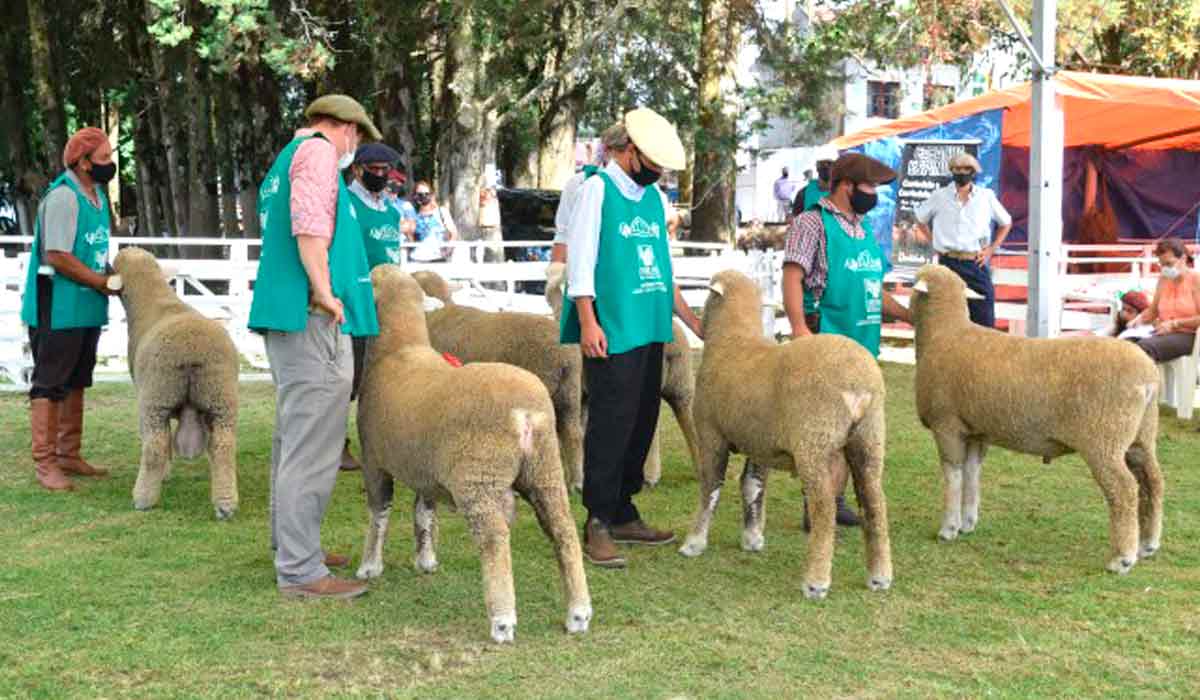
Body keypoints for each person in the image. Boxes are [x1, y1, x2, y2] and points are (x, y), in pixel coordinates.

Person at [248, 94, 381, 600]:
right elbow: (310, 228)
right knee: (313, 443)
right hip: (311, 317)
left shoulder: (287, 158)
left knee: (293, 437)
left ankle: (293, 546)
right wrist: (325, 292)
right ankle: (302, 571)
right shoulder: (322, 154)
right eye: (358, 136)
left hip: (287, 314)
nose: (356, 147)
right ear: (344, 127)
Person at [561, 108, 704, 569]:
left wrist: (692, 320)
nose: (659, 172)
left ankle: (624, 508)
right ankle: (597, 520)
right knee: (610, 421)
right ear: (627, 152)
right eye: (653, 162)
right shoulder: (596, 190)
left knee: (642, 420)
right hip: (613, 327)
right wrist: (588, 320)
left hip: (650, 325)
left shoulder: (653, 198)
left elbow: (663, 269)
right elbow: (579, 261)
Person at [781, 152, 912, 528]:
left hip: (864, 347)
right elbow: (792, 275)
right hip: (826, 340)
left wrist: (907, 314)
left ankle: (834, 500)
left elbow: (872, 289)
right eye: (870, 187)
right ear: (846, 186)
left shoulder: (864, 230)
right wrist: (799, 330)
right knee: (825, 430)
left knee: (855, 432)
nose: (875, 195)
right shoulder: (812, 223)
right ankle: (817, 505)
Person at [20, 127, 121, 491]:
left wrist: (111, 275)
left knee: (78, 378)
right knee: (49, 382)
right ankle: (45, 462)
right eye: (104, 159)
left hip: (85, 306)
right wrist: (98, 282)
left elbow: (91, 251)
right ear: (81, 163)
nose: (110, 165)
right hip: (58, 305)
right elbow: (58, 256)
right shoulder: (63, 197)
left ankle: (68, 453)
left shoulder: (94, 196)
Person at [340, 141, 406, 471]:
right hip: (355, 301)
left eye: (385, 170)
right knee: (347, 377)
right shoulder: (346, 204)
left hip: (387, 304)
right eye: (374, 170)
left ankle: (379, 443)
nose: (381, 175)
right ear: (358, 169)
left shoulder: (391, 211)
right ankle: (337, 444)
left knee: (378, 376)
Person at [914, 152, 1012, 328]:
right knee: (946, 318)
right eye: (957, 169)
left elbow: (1006, 223)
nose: (961, 172)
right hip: (947, 263)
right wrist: (933, 242)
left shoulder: (986, 196)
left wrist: (991, 249)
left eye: (966, 169)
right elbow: (920, 220)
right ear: (951, 171)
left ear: (974, 172)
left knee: (983, 318)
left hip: (975, 263)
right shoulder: (939, 196)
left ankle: (982, 354)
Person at [1130, 239, 1200, 362]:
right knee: (1125, 345)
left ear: (1183, 259)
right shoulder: (1164, 279)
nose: (1164, 269)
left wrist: (1174, 324)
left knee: (1144, 348)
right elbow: (1153, 311)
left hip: (1191, 335)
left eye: (1169, 264)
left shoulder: (1196, 280)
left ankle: (1148, 380)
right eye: (1161, 265)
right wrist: (1139, 319)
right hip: (1163, 333)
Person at [410, 181, 458, 263]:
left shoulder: (441, 212)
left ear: (431, 195)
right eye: (420, 194)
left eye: (426, 193)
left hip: (437, 258)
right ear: (415, 196)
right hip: (417, 258)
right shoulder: (413, 215)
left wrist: (448, 251)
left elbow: (453, 233)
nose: (423, 196)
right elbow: (411, 238)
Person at [793, 144, 839, 215]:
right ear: (817, 167)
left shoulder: (843, 193)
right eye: (822, 164)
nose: (826, 166)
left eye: (829, 163)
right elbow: (796, 221)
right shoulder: (803, 194)